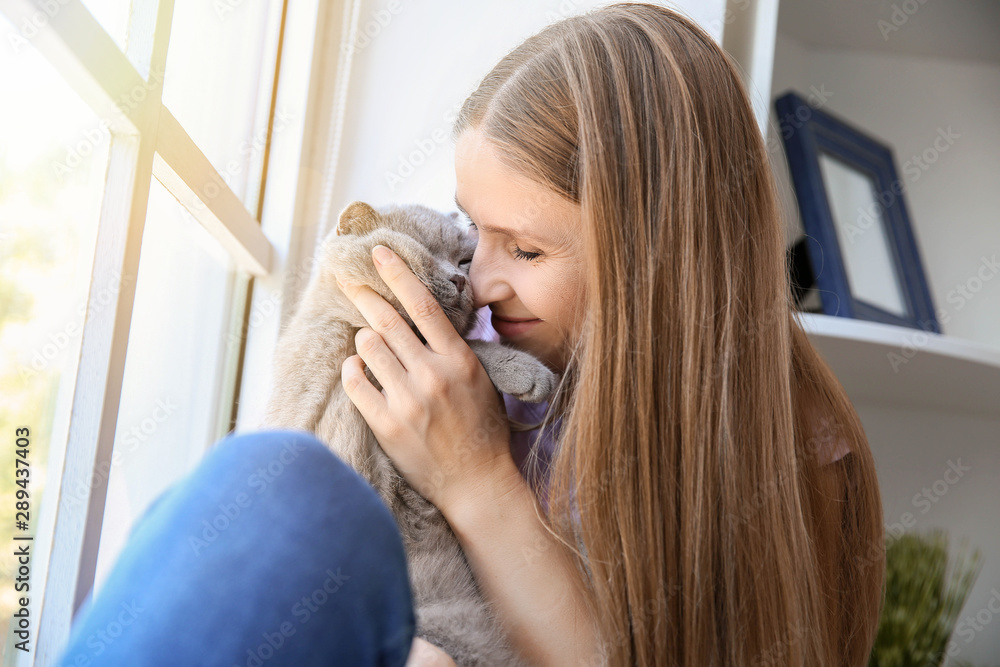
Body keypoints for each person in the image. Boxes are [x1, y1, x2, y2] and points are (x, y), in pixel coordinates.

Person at [57, 3, 885, 666]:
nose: (483, 280)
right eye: (471, 227)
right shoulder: (492, 348)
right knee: (277, 481)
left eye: (525, 249)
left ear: (661, 257)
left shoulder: (800, 469)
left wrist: (474, 476)